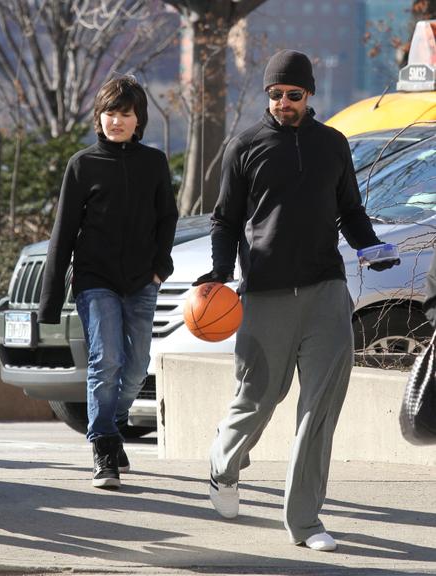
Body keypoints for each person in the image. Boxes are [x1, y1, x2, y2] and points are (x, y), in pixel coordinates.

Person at [194, 50, 399, 551]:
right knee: (260, 398)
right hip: (264, 293)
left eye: (294, 94)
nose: (283, 102)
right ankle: (224, 462)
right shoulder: (245, 146)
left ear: (310, 95)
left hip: (327, 290)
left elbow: (350, 210)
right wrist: (221, 273)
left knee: (320, 408)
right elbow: (224, 219)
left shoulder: (333, 145)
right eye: (275, 94)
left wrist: (371, 247)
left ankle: (305, 522)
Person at [38, 75, 178, 489]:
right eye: (109, 113)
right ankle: (102, 447)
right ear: (99, 118)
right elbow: (63, 232)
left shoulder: (153, 163)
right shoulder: (82, 165)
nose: (116, 121)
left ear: (139, 120)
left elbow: (167, 217)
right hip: (95, 279)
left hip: (141, 280)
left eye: (125, 114)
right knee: (107, 359)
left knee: (136, 367)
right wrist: (49, 300)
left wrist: (159, 268)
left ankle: (113, 425)